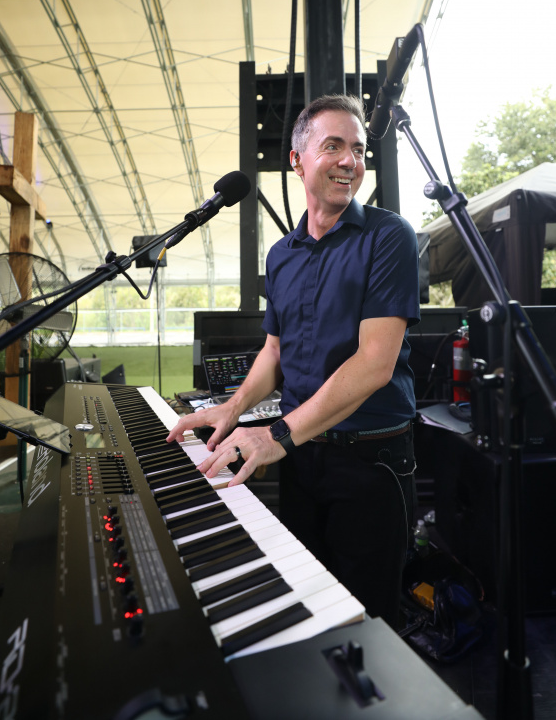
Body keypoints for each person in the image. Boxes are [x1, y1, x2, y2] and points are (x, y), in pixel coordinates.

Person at [167, 93, 420, 627]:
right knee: (309, 605)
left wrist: (276, 434)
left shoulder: (389, 236)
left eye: (359, 150)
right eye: (333, 146)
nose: (350, 161)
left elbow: (375, 362)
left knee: (369, 625)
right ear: (297, 160)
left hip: (370, 464)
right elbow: (275, 351)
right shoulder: (280, 255)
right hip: (302, 460)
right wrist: (233, 408)